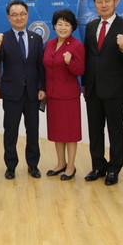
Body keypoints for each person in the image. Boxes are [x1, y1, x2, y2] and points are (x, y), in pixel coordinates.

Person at [82, 0, 123, 185]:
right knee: (95, 131)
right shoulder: (91, 26)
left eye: (107, 0)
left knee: (115, 131)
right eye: (99, 1)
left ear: (115, 2)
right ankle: (98, 166)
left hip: (114, 90)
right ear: (95, 4)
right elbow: (88, 57)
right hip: (93, 89)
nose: (103, 5)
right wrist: (85, 85)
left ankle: (114, 168)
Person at [0, 0, 45, 180]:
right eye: (14, 15)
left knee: (33, 131)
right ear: (8, 17)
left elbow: (40, 65)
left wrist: (41, 87)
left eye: (22, 14)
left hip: (32, 93)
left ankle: (33, 165)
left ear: (27, 15)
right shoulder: (3, 38)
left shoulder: (36, 38)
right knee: (10, 132)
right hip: (11, 93)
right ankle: (11, 166)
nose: (19, 18)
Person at [43, 9, 85, 181]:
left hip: (68, 96)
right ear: (54, 26)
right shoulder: (49, 44)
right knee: (57, 131)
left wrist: (70, 62)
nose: (62, 27)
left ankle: (71, 166)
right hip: (52, 95)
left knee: (70, 133)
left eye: (66, 24)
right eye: (59, 24)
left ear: (72, 27)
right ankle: (60, 163)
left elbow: (80, 70)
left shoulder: (76, 45)